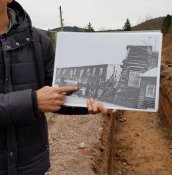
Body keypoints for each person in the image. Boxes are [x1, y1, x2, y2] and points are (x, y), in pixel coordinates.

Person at [0, 1, 114, 174]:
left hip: (31, 166)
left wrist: (93, 100)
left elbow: (57, 93)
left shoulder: (38, 42)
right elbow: (39, 101)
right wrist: (33, 101)